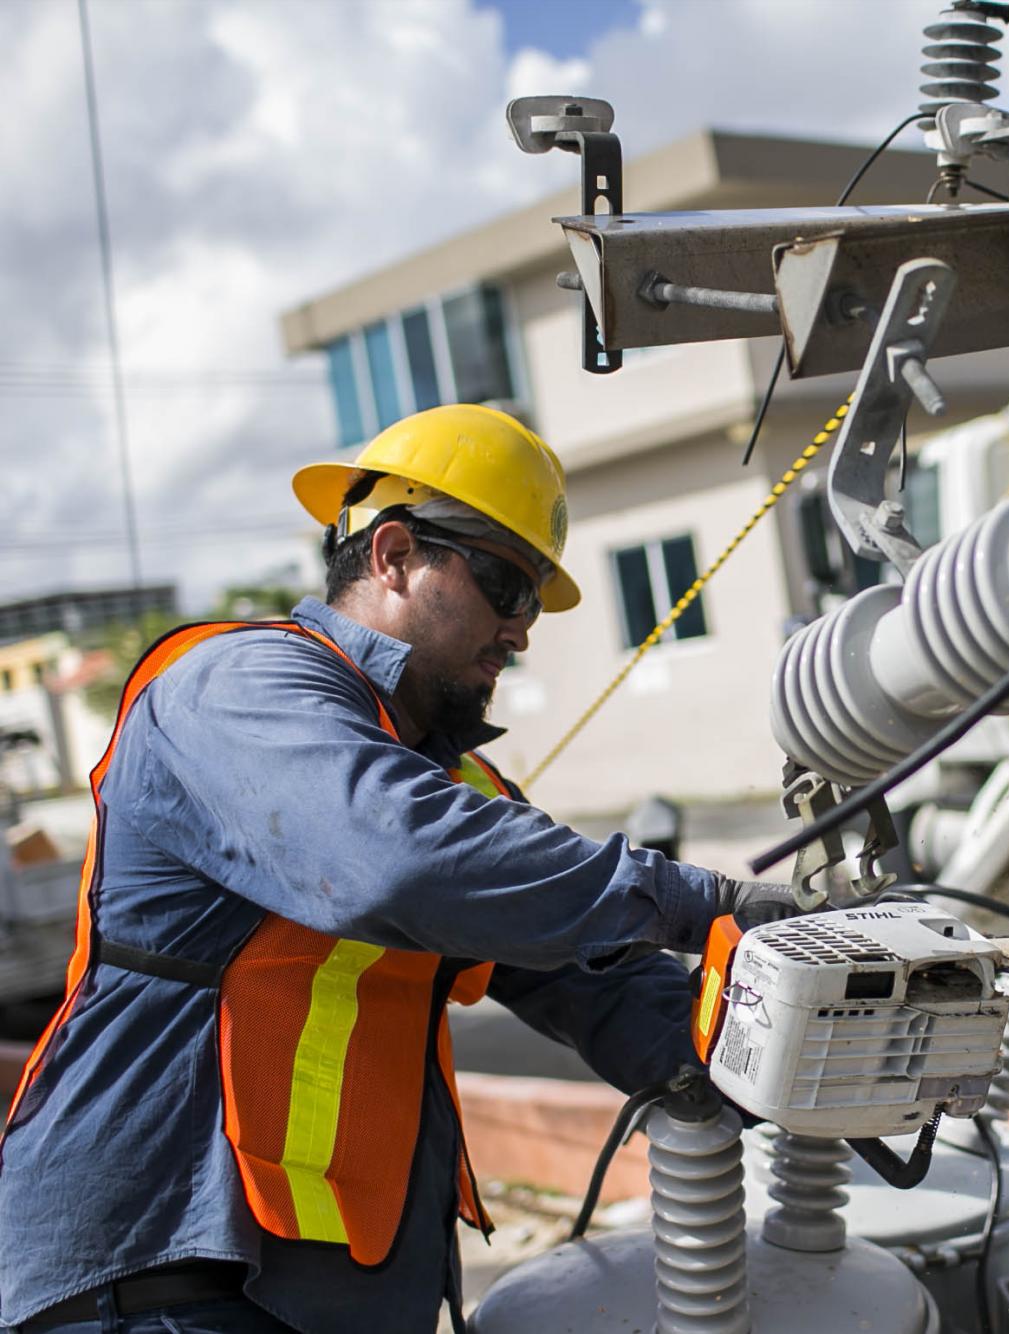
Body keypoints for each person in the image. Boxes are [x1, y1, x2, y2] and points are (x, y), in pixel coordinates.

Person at [0, 404, 795, 1333]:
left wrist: (802, 1050)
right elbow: (395, 862)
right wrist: (707, 903)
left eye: (534, 599)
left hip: (318, 1293)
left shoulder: (449, 784)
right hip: (150, 1270)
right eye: (505, 583)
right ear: (392, 555)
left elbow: (599, 982)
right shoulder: (242, 690)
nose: (522, 629)